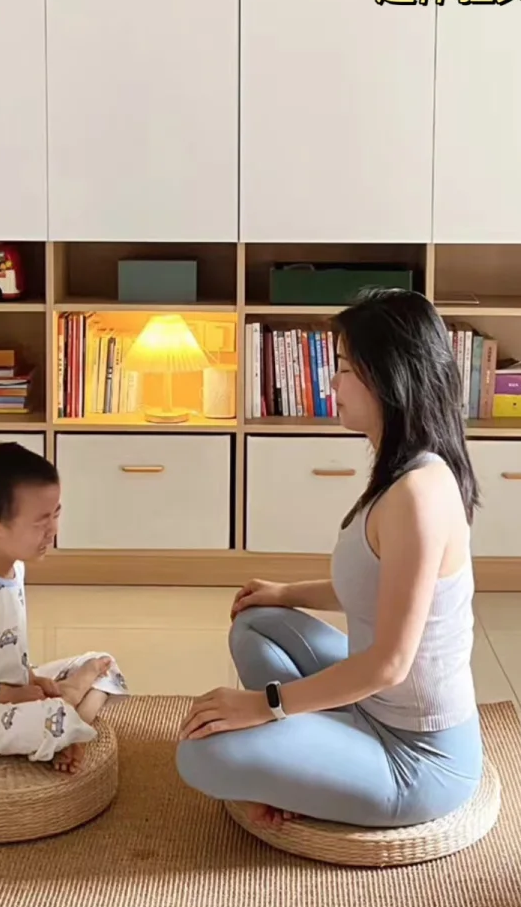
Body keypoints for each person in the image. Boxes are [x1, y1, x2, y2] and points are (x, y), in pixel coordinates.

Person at [176, 288, 482, 829]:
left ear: (387, 378)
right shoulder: (405, 471)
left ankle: (304, 765)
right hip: (372, 706)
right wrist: (284, 593)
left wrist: (265, 705)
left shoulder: (418, 495)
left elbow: (390, 664)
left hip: (418, 759)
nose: (331, 385)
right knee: (258, 622)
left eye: (342, 369)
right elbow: (379, 588)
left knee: (200, 754)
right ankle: (306, 760)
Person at [0, 442, 128, 774]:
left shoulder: (14, 567)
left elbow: (0, 650)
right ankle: (72, 713)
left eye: (56, 514)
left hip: (15, 685)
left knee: (103, 662)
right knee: (52, 718)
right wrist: (12, 695)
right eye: (40, 522)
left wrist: (30, 678)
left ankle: (71, 708)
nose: (54, 530)